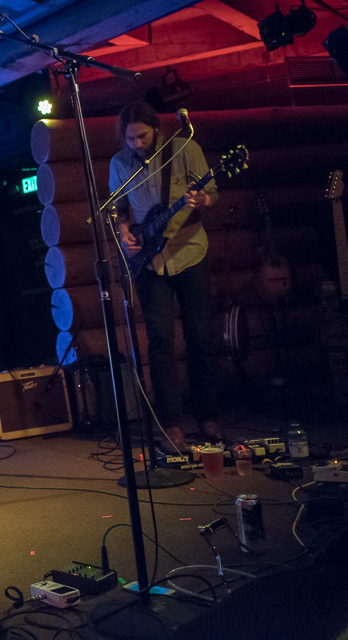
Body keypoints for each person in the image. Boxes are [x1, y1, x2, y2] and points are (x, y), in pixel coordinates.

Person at [109, 102, 223, 452]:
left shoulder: (186, 150)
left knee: (200, 337)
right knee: (159, 343)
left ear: (155, 129)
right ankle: (172, 423)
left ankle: (208, 416)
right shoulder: (120, 164)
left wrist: (201, 199)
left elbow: (213, 194)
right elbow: (117, 208)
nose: (136, 144)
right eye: (130, 138)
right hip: (149, 261)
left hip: (189, 252)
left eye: (141, 136)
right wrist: (124, 230)